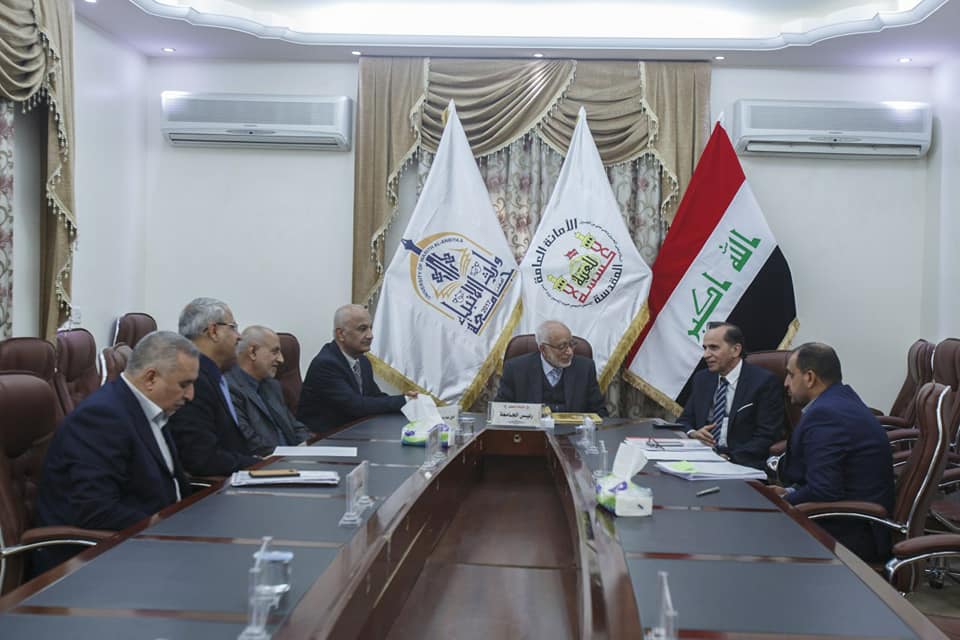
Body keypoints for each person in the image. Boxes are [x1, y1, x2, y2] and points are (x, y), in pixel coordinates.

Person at [35, 331, 199, 568]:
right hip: (102, 560)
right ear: (150, 378)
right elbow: (96, 511)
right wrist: (172, 528)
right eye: (184, 384)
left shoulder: (153, 410)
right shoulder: (102, 417)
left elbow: (170, 485)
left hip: (154, 543)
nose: (191, 395)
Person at [773, 342, 895, 561]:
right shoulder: (839, 399)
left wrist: (780, 502)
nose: (786, 383)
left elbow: (824, 491)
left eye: (790, 375)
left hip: (849, 531)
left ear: (810, 377)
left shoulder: (827, 416)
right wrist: (788, 492)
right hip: (850, 517)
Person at [167, 297, 259, 476]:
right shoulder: (194, 380)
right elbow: (202, 458)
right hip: (218, 486)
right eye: (233, 327)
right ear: (213, 331)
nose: (239, 336)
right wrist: (259, 464)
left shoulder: (213, 376)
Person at [678, 322, 784, 469]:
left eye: (713, 348)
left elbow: (767, 435)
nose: (706, 355)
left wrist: (729, 458)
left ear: (735, 350)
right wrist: (693, 433)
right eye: (705, 348)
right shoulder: (702, 379)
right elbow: (684, 421)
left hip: (740, 462)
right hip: (701, 457)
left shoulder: (764, 382)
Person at [297, 304, 410, 434]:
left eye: (370, 328)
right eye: (362, 329)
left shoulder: (362, 361)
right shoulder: (326, 364)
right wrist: (404, 400)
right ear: (341, 334)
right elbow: (356, 406)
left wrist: (408, 400)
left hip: (354, 431)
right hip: (323, 438)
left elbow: (375, 397)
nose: (370, 335)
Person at [225, 325, 309, 455]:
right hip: (267, 461)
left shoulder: (272, 385)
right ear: (253, 352)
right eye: (275, 352)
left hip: (293, 457)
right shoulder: (230, 388)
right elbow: (250, 442)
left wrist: (310, 447)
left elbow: (294, 426)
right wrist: (289, 454)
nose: (281, 359)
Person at [496, 320, 608, 416]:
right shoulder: (515, 369)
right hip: (532, 432)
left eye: (571, 344)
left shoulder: (585, 368)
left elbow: (599, 412)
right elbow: (500, 411)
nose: (569, 352)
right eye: (562, 346)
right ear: (543, 349)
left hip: (573, 432)